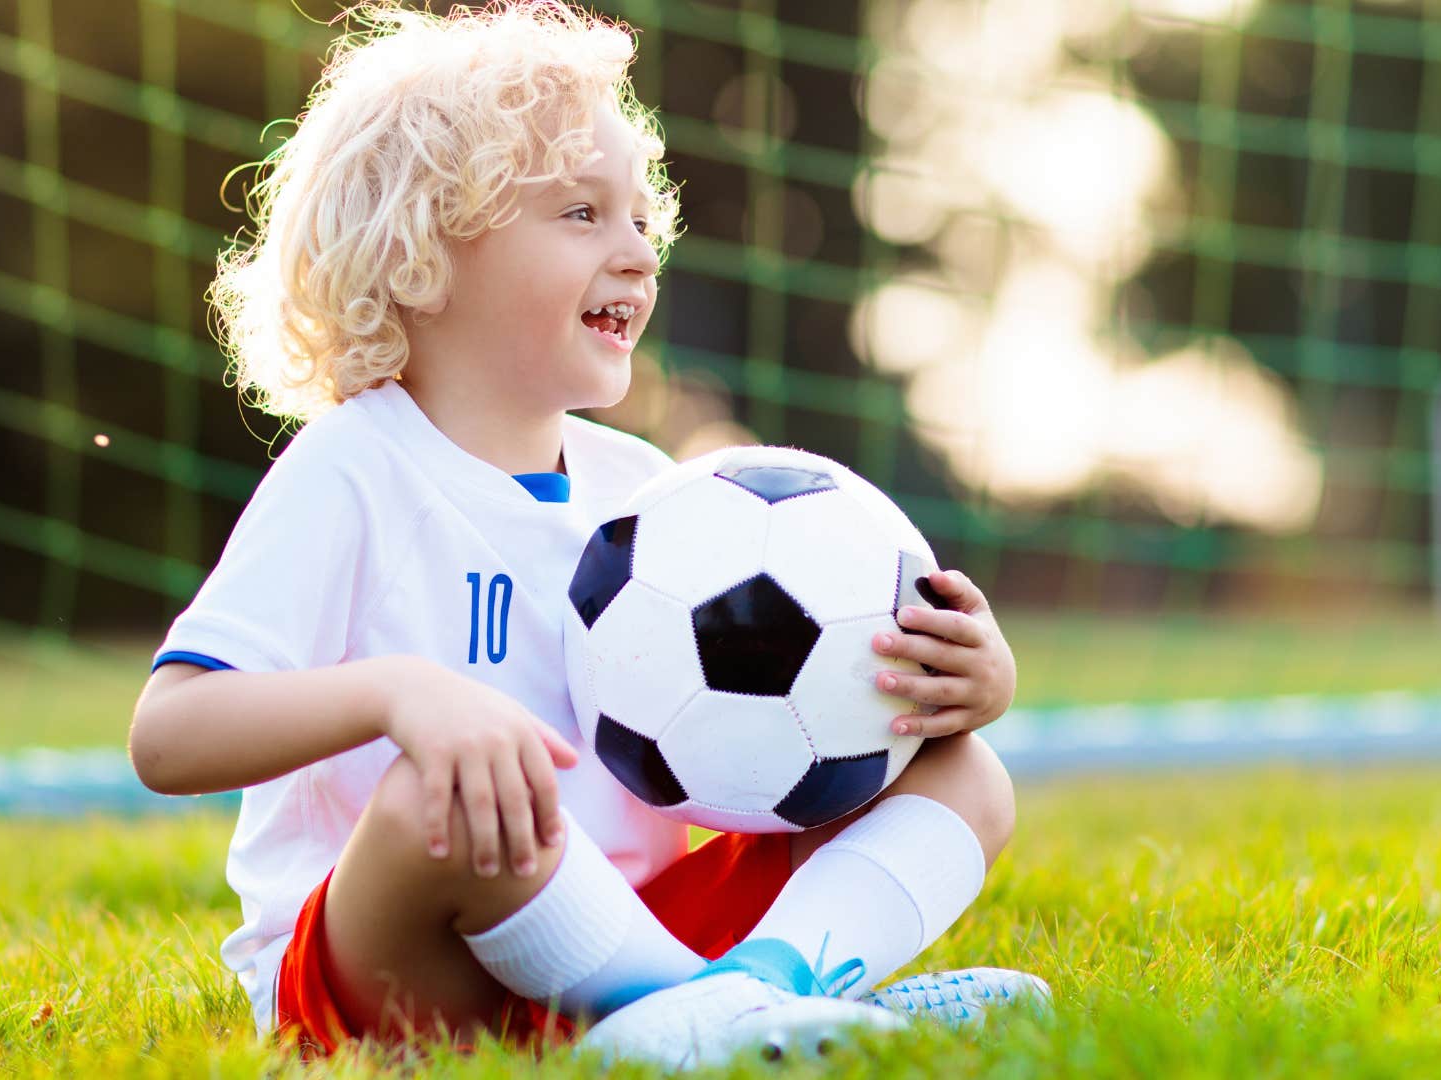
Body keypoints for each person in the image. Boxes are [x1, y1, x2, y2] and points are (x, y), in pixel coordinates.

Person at [128, 0, 1047, 1067]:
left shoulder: (658, 499)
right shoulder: (356, 468)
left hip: (624, 924)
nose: (636, 256)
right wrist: (400, 693)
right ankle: (716, 1018)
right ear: (421, 250)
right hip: (395, 967)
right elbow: (169, 734)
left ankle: (761, 992)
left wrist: (937, 689)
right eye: (580, 215)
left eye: (640, 222)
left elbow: (767, 738)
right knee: (446, 794)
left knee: (965, 775)